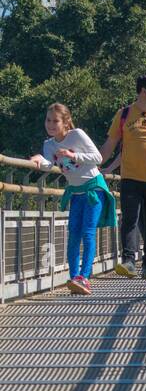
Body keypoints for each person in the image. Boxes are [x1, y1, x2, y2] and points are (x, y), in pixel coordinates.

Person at [32, 103, 115, 295]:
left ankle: (84, 278)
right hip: (76, 191)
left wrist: (72, 155)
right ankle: (74, 277)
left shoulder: (77, 134)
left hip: (94, 188)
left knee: (87, 232)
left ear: (66, 122)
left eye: (55, 121)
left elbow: (98, 158)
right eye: (48, 120)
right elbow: (49, 164)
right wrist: (38, 159)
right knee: (74, 234)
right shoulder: (49, 144)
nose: (51, 124)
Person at [103, 75, 146, 278]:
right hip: (130, 178)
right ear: (144, 91)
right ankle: (129, 261)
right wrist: (95, 166)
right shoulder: (124, 114)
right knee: (130, 220)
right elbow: (110, 146)